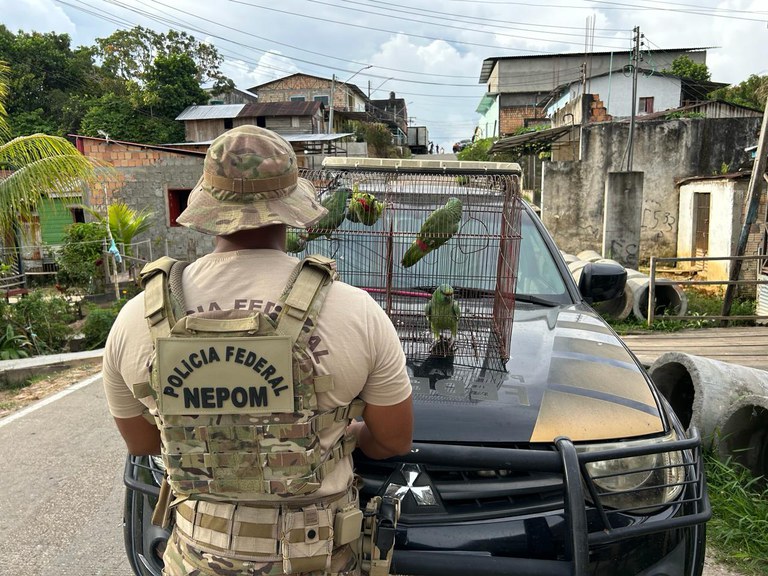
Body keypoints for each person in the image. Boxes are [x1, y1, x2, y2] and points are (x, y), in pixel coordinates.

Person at [102, 125, 414, 576]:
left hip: (196, 558)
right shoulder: (355, 311)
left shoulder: (136, 319)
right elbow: (392, 439)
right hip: (318, 560)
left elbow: (145, 442)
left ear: (208, 205)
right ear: (290, 207)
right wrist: (333, 435)